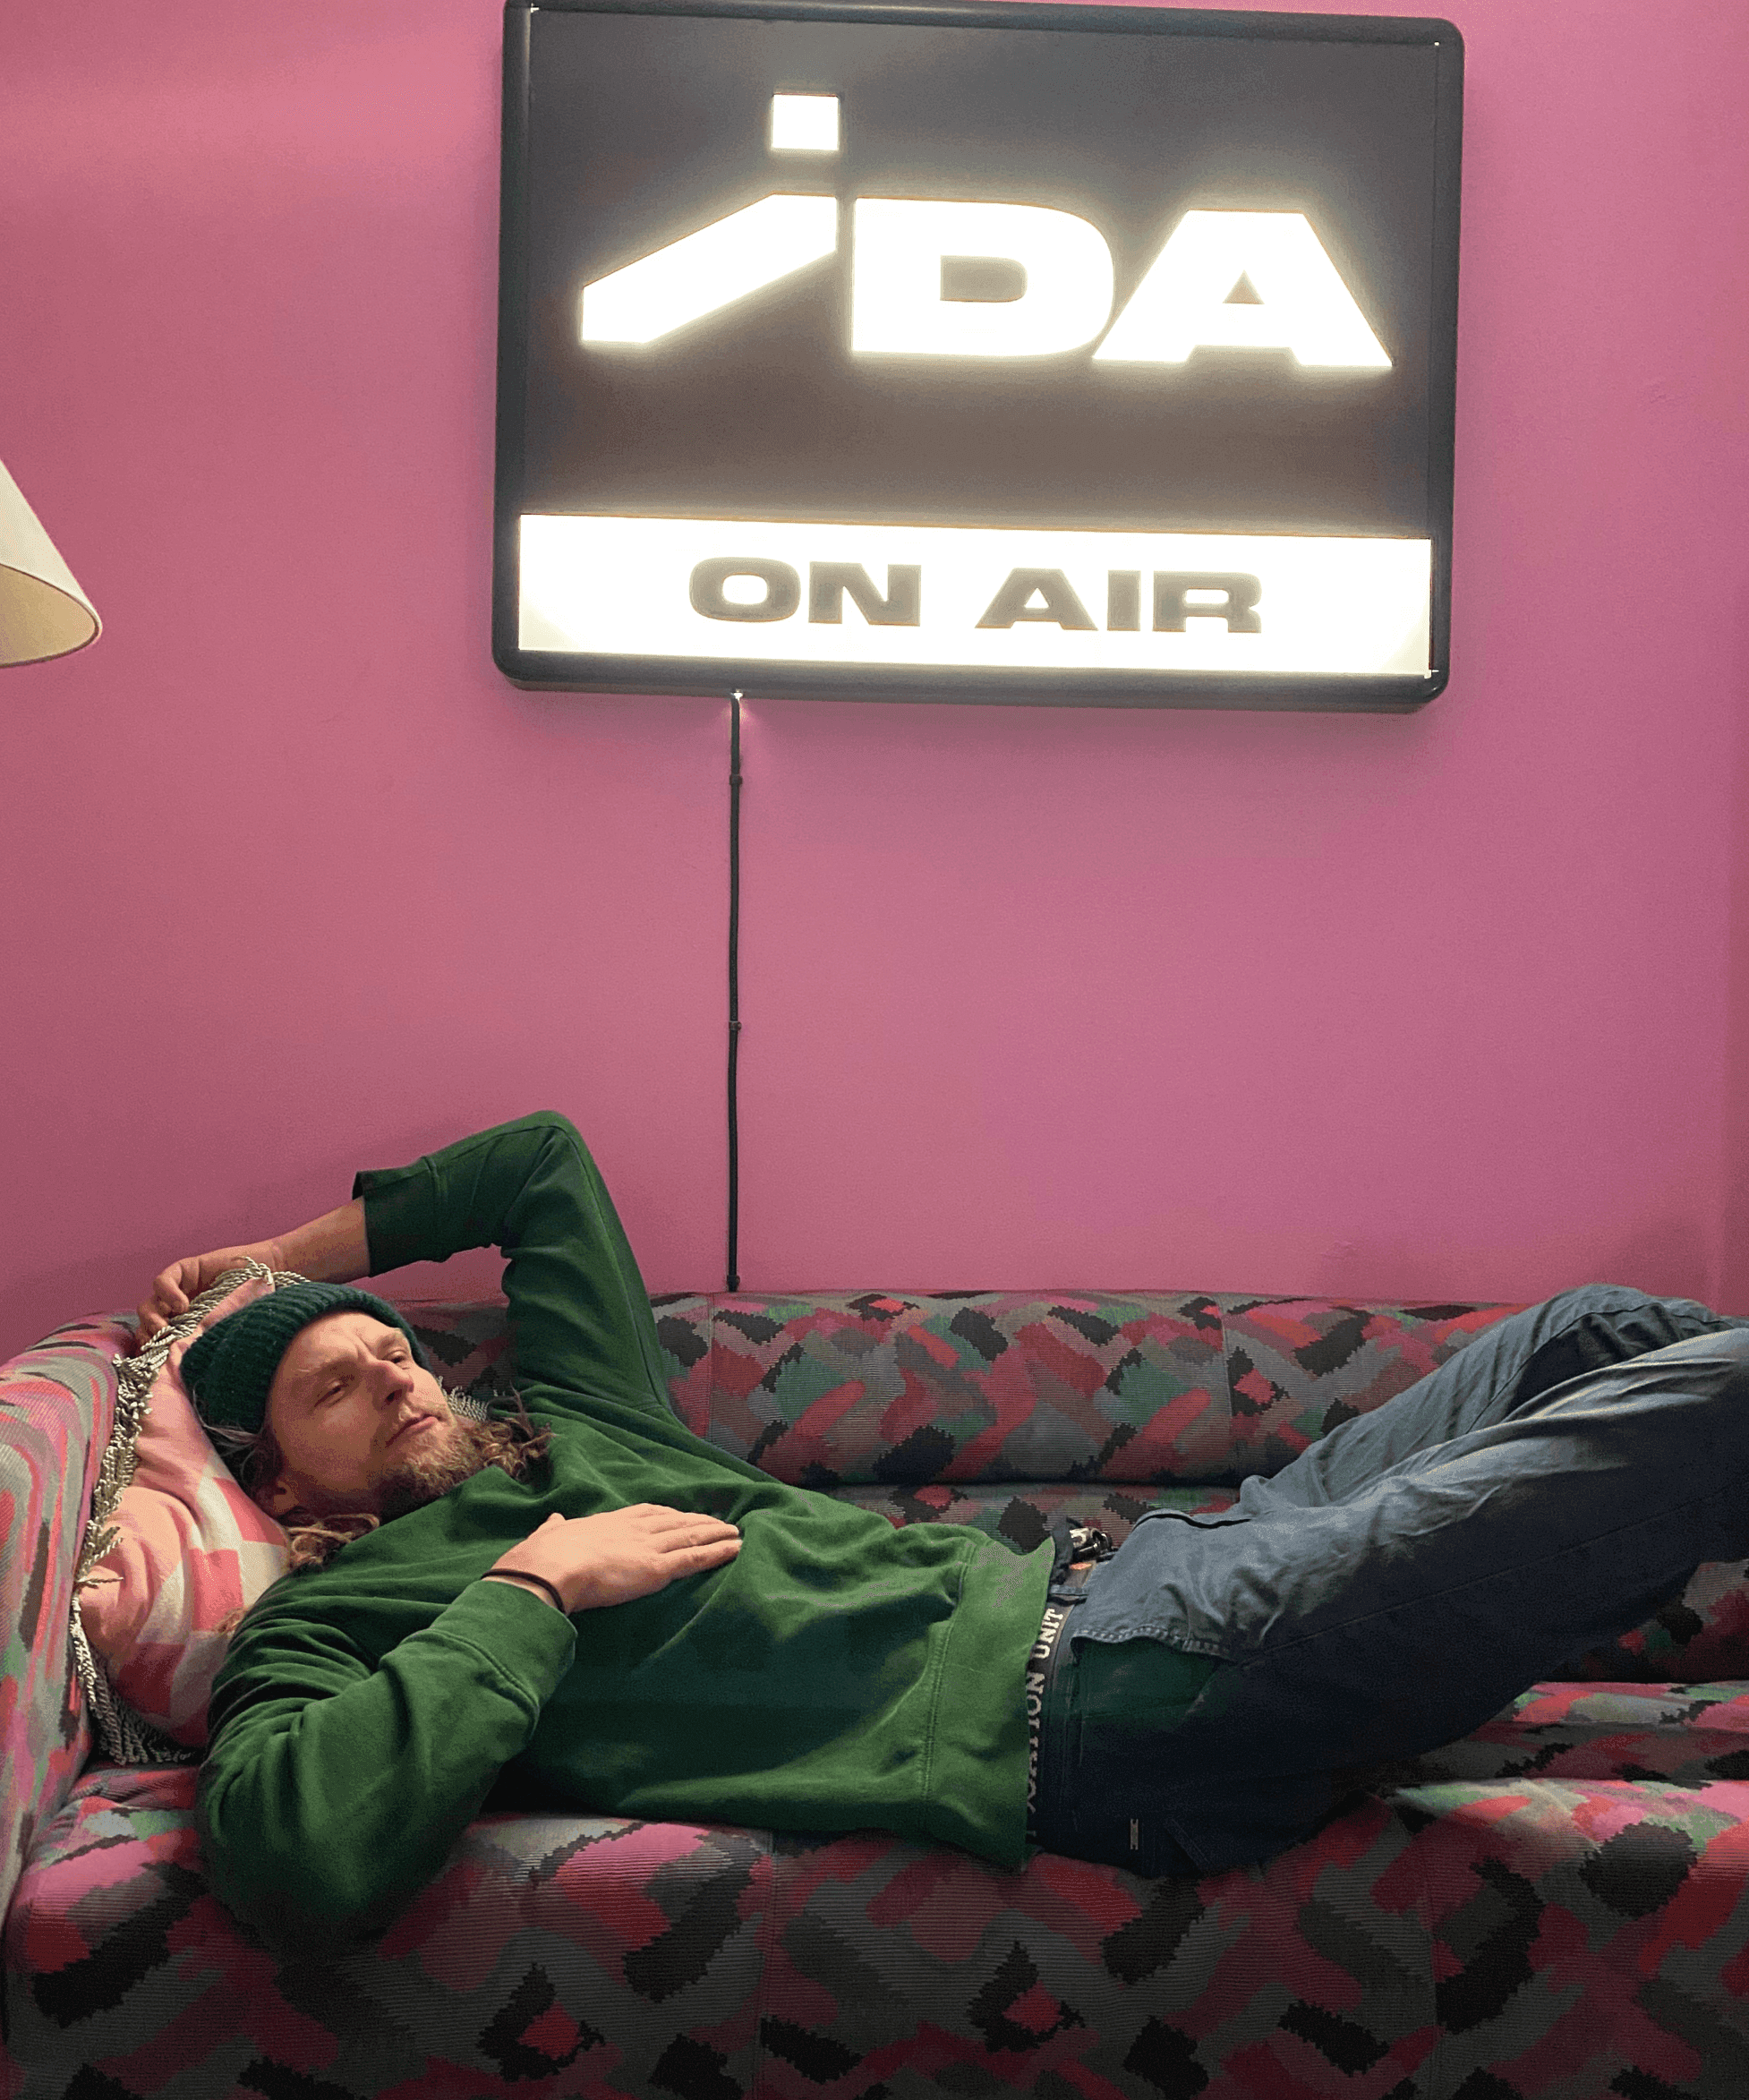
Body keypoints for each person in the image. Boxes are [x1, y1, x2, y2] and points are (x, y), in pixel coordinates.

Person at [138, 1110, 1749, 1944]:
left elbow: (539, 1163)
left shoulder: (579, 1424)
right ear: (280, 1486)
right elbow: (287, 1854)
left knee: (1593, 1329)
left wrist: (272, 1264)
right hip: (1111, 1700)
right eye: (337, 1386)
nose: (397, 1375)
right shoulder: (330, 1621)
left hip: (1171, 1565)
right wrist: (532, 1588)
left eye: (397, 1349)